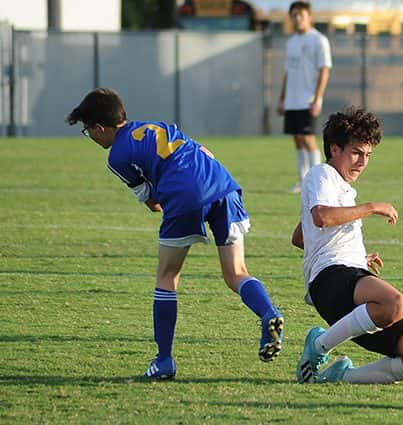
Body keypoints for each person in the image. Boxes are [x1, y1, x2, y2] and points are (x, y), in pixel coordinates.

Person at [66, 88, 284, 378]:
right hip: (222, 183)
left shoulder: (117, 156)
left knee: (167, 276)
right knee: (236, 272)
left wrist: (162, 186)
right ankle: (268, 312)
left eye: (88, 132)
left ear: (99, 128)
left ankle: (164, 360)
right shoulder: (155, 126)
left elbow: (154, 205)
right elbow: (205, 151)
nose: (91, 138)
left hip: (185, 195)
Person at [291, 107, 403, 384]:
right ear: (334, 149)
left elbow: (300, 237)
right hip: (330, 280)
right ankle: (319, 345)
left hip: (349, 276)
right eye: (357, 152)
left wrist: (357, 255)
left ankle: (338, 378)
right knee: (395, 303)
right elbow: (321, 217)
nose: (363, 162)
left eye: (368, 155)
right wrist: (372, 208)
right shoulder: (322, 174)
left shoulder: (344, 190)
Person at [276, 1, 332, 193]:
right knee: (297, 139)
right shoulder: (291, 42)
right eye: (293, 15)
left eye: (300, 14)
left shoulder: (318, 40)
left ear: (309, 17)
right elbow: (287, 73)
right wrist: (282, 98)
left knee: (308, 138)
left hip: (307, 99)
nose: (297, 18)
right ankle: (302, 181)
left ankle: (316, 182)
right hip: (292, 99)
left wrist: (317, 98)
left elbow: (324, 70)